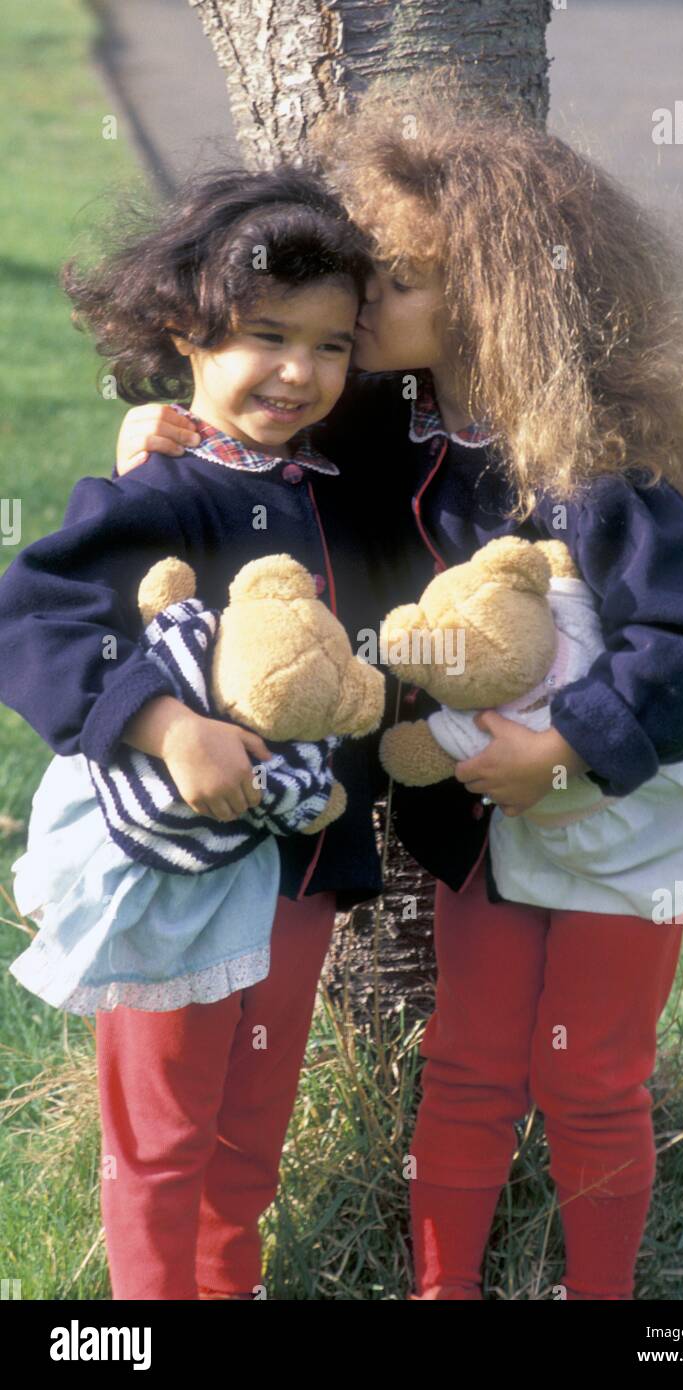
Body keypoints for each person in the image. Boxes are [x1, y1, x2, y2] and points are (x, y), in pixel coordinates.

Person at [114, 69, 683, 1300]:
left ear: (491, 294)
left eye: (399, 279)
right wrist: (156, 437)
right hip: (475, 831)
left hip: (614, 828)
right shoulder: (387, 436)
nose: (367, 299)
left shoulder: (596, 468)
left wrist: (564, 751)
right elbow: (261, 467)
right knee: (465, 1064)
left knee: (589, 1077)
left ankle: (602, 1295)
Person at [0, 164, 390, 1300]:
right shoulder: (159, 491)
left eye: (329, 345)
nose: (299, 371)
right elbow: (35, 620)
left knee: (247, 1140)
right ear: (187, 331)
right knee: (165, 1139)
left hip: (298, 871)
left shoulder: (331, 484)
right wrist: (169, 728)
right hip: (171, 877)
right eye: (266, 335)